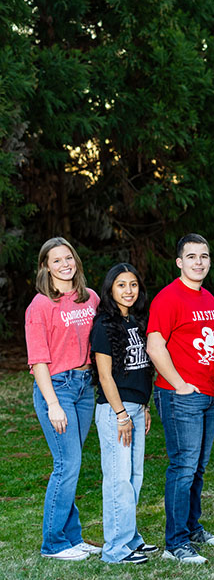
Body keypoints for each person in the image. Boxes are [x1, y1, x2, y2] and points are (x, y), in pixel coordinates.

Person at [146, 233, 214, 564]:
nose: (199, 262)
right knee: (183, 466)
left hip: (206, 395)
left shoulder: (208, 298)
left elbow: (208, 350)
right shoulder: (168, 298)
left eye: (204, 256)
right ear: (179, 262)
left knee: (198, 468)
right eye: (192, 257)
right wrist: (179, 384)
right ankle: (175, 543)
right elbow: (154, 345)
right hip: (180, 396)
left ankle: (192, 528)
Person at [26, 237, 101, 561]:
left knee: (72, 463)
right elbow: (38, 361)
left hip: (85, 387)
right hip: (57, 388)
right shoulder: (40, 305)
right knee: (66, 465)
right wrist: (53, 403)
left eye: (68, 258)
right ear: (45, 266)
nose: (64, 264)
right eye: (56, 260)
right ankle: (54, 543)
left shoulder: (91, 299)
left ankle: (72, 537)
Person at [91, 264, 156, 565]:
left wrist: (143, 406)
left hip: (135, 408)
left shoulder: (139, 321)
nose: (129, 291)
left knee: (135, 477)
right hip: (115, 410)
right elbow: (105, 377)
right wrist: (121, 414)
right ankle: (115, 549)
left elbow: (141, 369)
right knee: (118, 479)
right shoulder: (104, 325)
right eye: (121, 285)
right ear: (110, 289)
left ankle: (130, 539)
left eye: (133, 284)